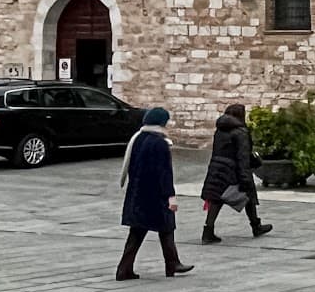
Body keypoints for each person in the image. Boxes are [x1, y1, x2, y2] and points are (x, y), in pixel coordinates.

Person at [116, 106, 194, 280]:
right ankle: (172, 264)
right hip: (155, 194)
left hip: (137, 192)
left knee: (137, 233)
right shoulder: (160, 143)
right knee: (166, 227)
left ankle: (124, 269)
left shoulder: (138, 138)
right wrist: (170, 196)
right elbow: (164, 173)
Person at [200, 102, 273, 243]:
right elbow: (242, 156)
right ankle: (256, 226)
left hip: (217, 167)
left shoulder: (220, 130)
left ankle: (208, 231)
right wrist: (245, 176)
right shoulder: (241, 132)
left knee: (216, 198)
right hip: (234, 169)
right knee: (249, 194)